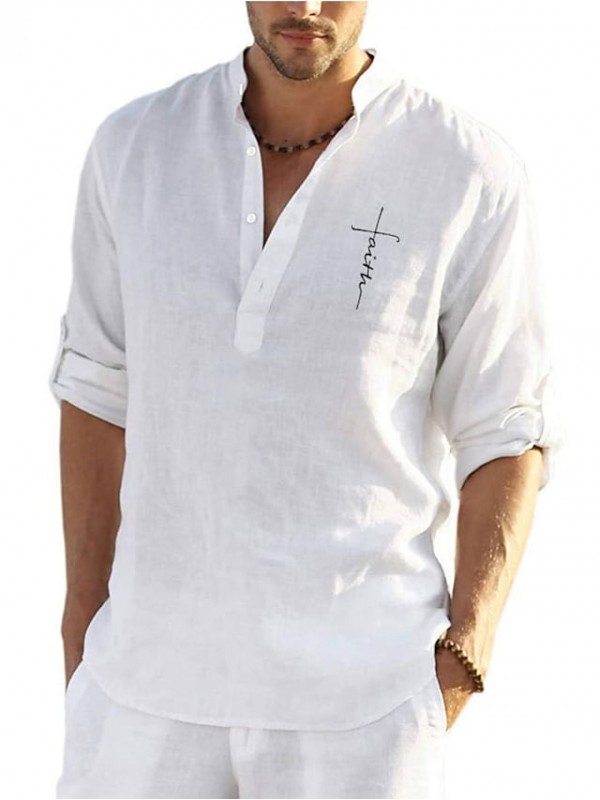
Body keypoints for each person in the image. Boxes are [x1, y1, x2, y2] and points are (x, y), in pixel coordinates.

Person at [49, 2, 563, 798]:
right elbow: (95, 389)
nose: (306, 6)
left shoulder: (466, 170)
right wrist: (82, 630)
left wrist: (466, 652)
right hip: (140, 700)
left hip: (364, 709)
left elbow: (504, 428)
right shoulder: (136, 148)